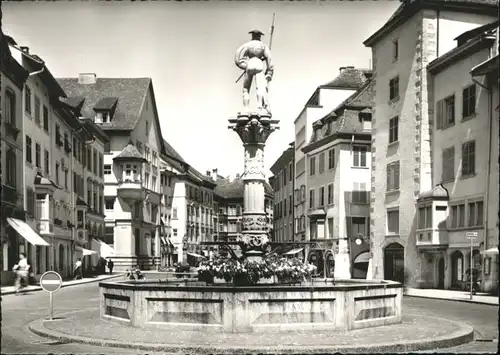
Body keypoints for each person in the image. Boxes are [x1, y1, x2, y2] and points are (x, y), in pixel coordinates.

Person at [234, 29, 274, 112]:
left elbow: (238, 57)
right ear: (260, 36)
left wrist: (245, 65)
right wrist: (269, 72)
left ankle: (246, 108)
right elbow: (269, 60)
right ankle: (259, 106)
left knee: (246, 89)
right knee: (260, 88)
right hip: (259, 65)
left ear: (252, 36)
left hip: (250, 64)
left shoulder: (247, 45)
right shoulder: (263, 46)